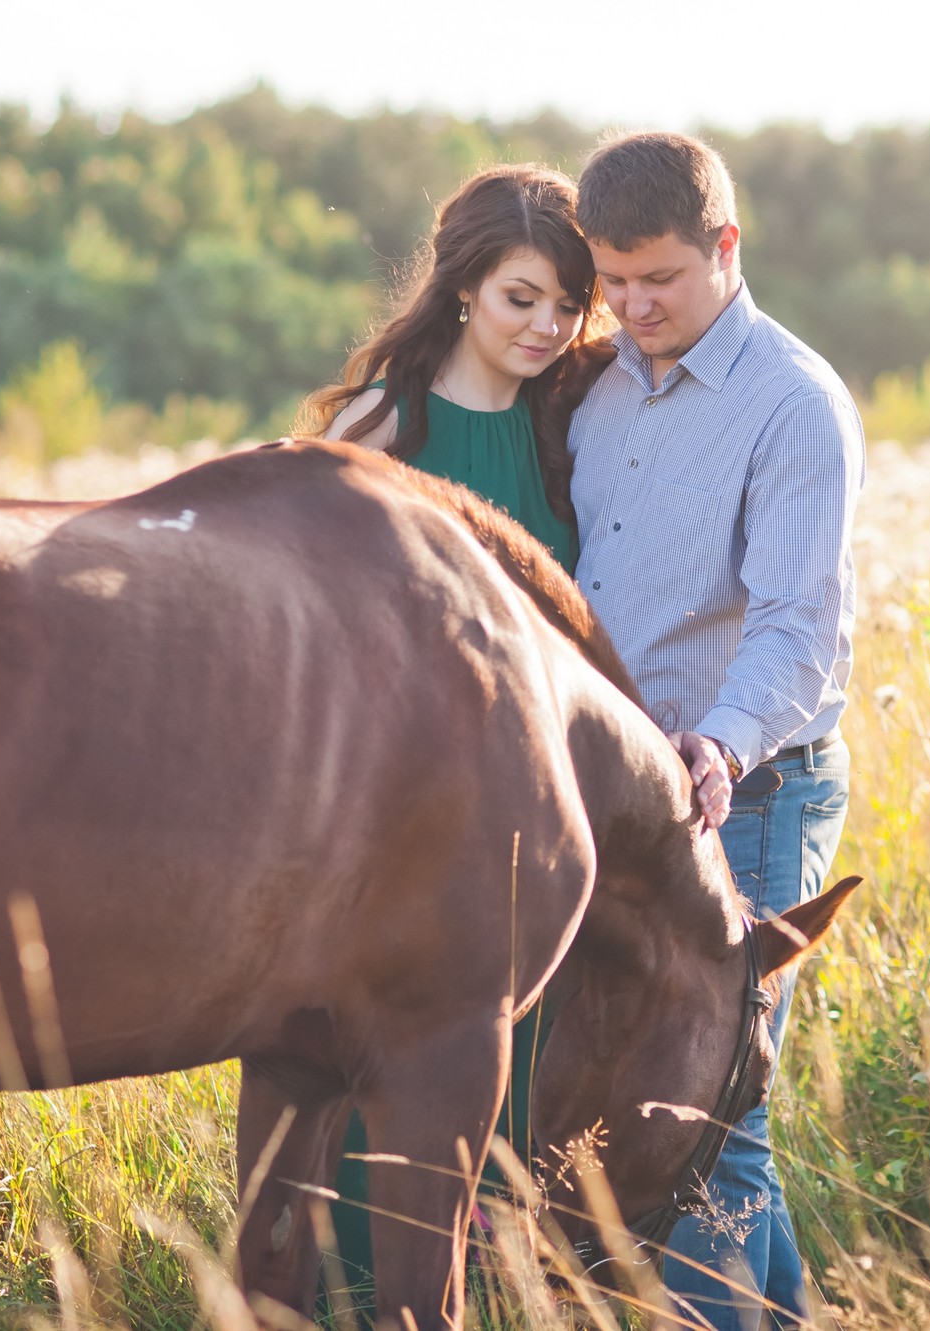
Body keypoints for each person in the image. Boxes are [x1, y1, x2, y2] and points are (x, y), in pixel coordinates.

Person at [294, 161, 735, 1306]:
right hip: (395, 812)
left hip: (528, 820)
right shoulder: (385, 423)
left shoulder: (568, 415)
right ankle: (348, 1287)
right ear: (459, 293)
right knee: (372, 1057)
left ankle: (478, 1288)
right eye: (517, 299)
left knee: (504, 1066)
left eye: (563, 305)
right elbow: (295, 596)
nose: (547, 327)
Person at [569, 132, 864, 1330]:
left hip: (746, 792)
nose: (633, 306)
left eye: (661, 280)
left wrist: (722, 744)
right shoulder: (592, 386)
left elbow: (799, 624)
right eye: (613, 280)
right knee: (626, 1105)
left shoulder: (793, 405)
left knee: (709, 1115)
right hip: (612, 799)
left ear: (725, 247)